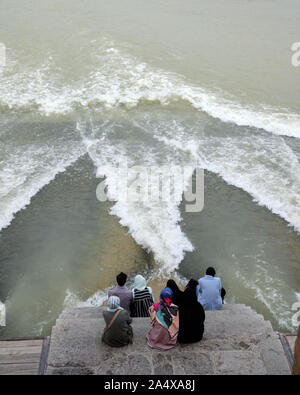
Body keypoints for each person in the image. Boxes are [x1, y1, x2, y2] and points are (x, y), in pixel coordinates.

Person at [167, 279, 205, 343]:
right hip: (197, 337)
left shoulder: (178, 307)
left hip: (181, 338)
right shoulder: (199, 306)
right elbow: (203, 319)